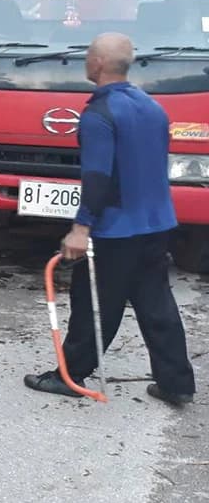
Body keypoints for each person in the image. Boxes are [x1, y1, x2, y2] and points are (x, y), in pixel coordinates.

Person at [24, 32, 196, 406]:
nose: (85, 60)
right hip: (156, 223)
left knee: (93, 303)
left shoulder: (98, 114)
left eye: (88, 55)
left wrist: (80, 229)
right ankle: (177, 382)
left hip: (117, 229)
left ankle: (70, 376)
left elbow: (98, 177)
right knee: (157, 304)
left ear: (98, 63)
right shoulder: (152, 107)